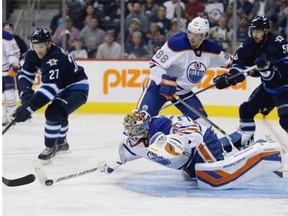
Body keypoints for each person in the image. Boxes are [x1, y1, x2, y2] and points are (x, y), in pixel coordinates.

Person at [94, 109, 283, 189]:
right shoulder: (131, 142)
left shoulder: (162, 124)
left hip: (201, 144)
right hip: (187, 163)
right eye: (129, 129)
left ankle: (261, 147)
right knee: (198, 175)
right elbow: (123, 154)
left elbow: (192, 130)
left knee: (214, 174)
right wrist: (113, 161)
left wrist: (179, 140)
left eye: (135, 128)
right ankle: (238, 139)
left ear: (145, 125)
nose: (131, 132)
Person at [135, 16, 232, 128]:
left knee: (203, 124)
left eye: (197, 35)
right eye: (190, 33)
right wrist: (165, 81)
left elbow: (233, 62)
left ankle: (199, 144)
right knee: (140, 120)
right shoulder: (176, 43)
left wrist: (251, 68)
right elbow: (154, 64)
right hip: (158, 87)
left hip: (183, 92)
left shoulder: (211, 50)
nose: (192, 38)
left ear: (205, 35)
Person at [12, 28, 89, 163]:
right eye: (35, 46)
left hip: (77, 87)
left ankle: (50, 147)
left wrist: (29, 107)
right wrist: (25, 95)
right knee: (60, 111)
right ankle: (62, 143)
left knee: (54, 112)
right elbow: (25, 77)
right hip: (61, 89)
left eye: (41, 46)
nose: (38, 50)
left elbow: (49, 89)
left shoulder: (55, 57)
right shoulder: (31, 55)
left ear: (48, 44)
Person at [213, 16, 288, 148]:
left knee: (286, 121)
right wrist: (228, 79)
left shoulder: (279, 43)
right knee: (246, 109)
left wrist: (272, 64)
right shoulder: (248, 46)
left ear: (266, 31)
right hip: (268, 89)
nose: (255, 34)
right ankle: (245, 140)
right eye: (253, 31)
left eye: (258, 31)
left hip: (284, 89)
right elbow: (239, 68)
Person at [2, 29, 20, 126]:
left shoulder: (5, 36)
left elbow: (14, 52)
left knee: (9, 94)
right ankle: (2, 118)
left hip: (6, 71)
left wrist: (14, 63)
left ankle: (13, 115)